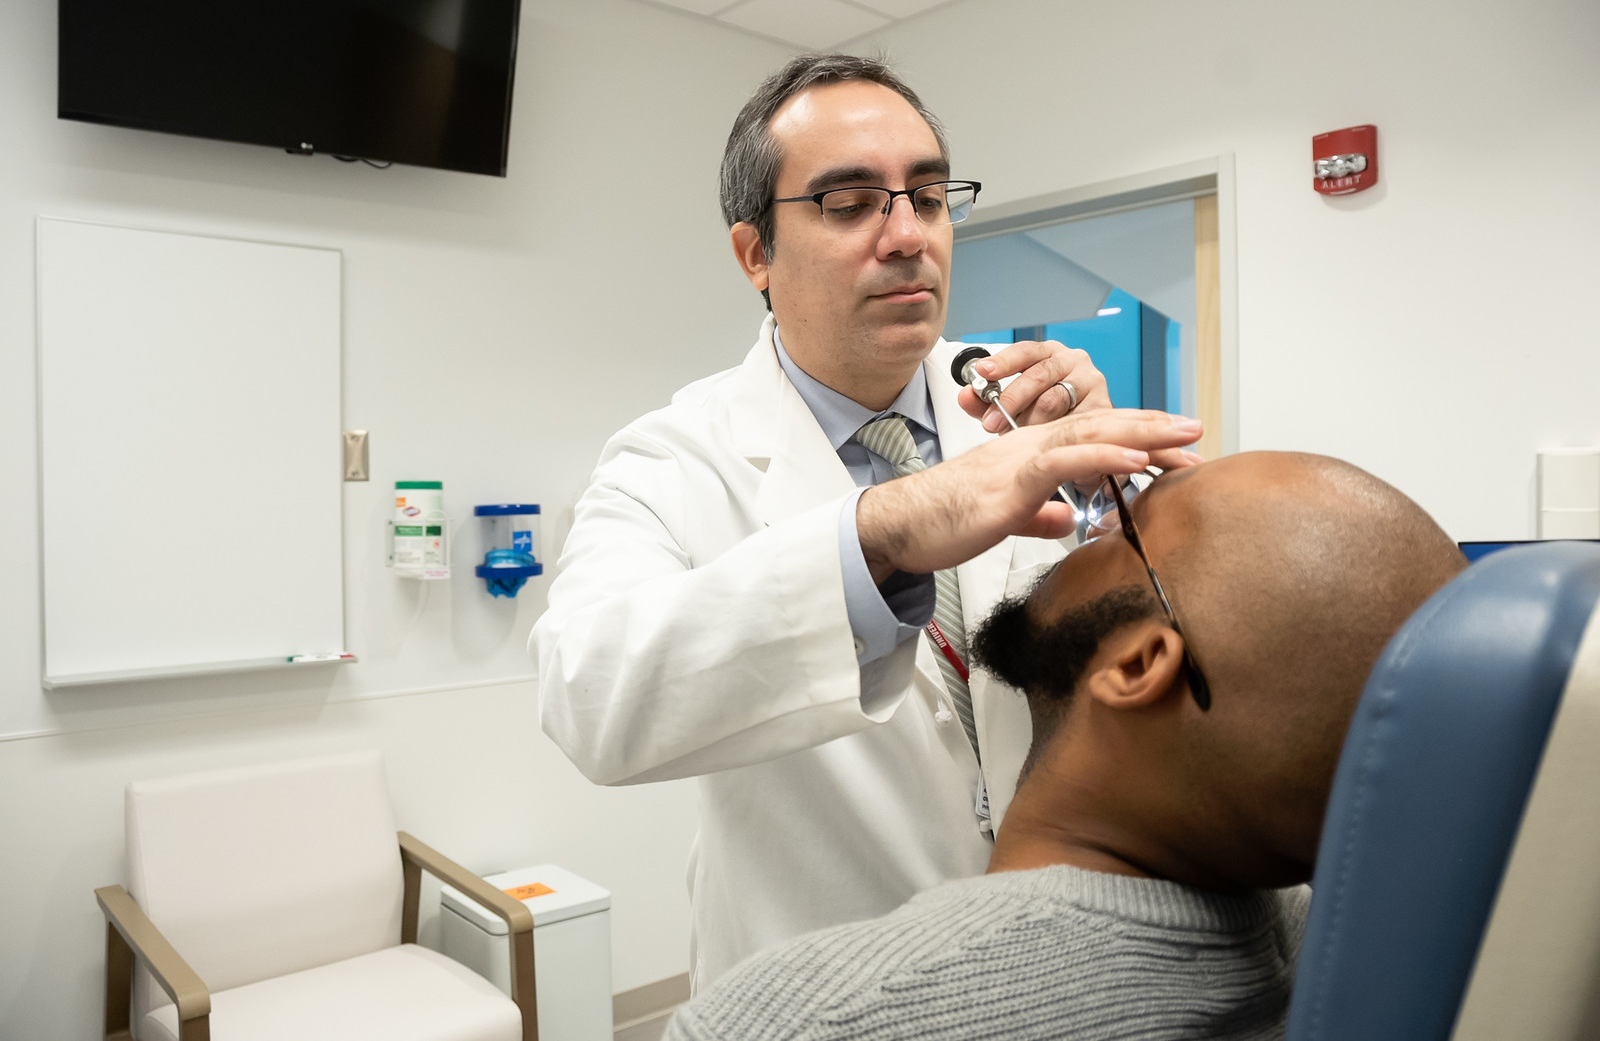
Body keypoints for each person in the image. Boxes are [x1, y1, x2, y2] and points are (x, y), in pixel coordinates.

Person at [531, 53, 1202, 986]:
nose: (907, 235)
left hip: (1059, 962)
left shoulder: (1022, 409)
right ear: (754, 253)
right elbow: (588, 699)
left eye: (928, 198)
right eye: (850, 204)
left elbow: (1166, 652)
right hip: (824, 980)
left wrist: (1128, 508)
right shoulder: (672, 458)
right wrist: (880, 532)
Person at [663, 451, 1469, 1041]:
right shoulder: (1319, 951)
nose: (1098, 521)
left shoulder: (794, 1021)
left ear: (1140, 662)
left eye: (1135, 524)